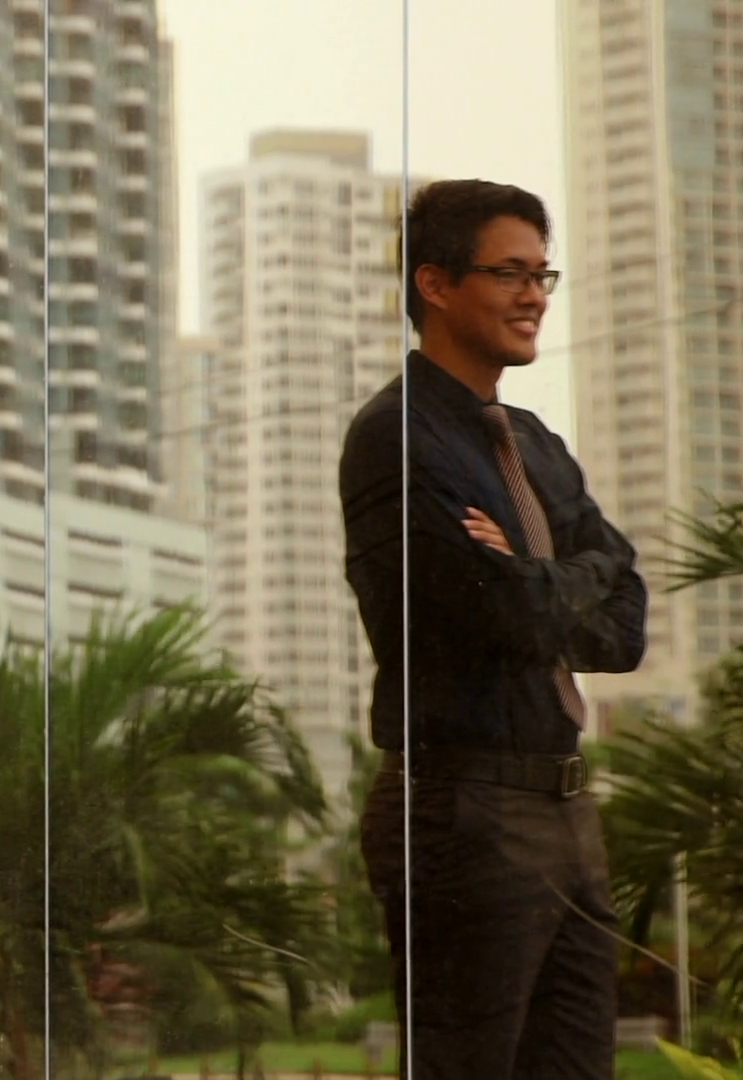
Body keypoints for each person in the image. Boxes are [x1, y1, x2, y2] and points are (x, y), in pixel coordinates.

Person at [340, 179, 647, 1078]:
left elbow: (625, 625)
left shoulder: (535, 444)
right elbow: (502, 613)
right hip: (461, 809)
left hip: (566, 807)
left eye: (542, 275)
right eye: (509, 273)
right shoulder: (397, 437)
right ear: (435, 284)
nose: (534, 296)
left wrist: (543, 572)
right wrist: (569, 579)